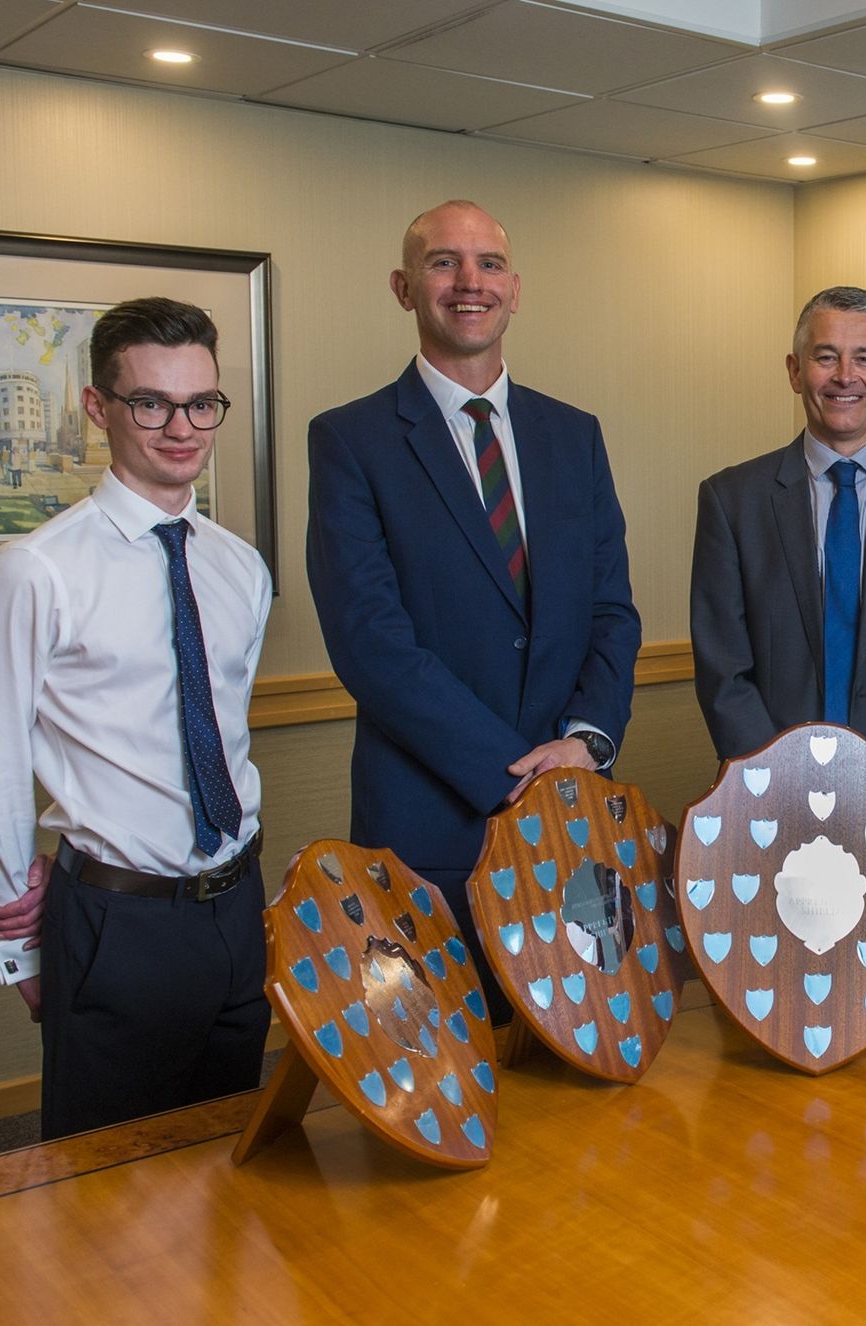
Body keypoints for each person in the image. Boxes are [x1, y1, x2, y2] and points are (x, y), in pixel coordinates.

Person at [307, 200, 640, 1023]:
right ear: (404, 286)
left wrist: (584, 744)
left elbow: (612, 612)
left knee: (578, 1040)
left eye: (488, 263)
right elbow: (371, 644)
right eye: (444, 262)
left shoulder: (575, 435)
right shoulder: (352, 441)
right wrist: (516, 776)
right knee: (443, 1057)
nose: (469, 282)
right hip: (431, 823)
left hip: (573, 808)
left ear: (515, 289)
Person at [0, 298, 270, 1139]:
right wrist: (21, 949)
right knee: (106, 1196)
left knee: (231, 1157)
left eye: (201, 403)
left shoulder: (241, 568)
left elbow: (221, 729)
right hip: (116, 925)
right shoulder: (34, 573)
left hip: (240, 908)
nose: (181, 428)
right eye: (150, 403)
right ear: (99, 408)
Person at [691, 286, 866, 793]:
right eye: (826, 357)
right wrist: (776, 782)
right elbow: (723, 673)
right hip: (770, 796)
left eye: (864, 358)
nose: (845, 376)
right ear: (794, 371)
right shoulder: (731, 500)